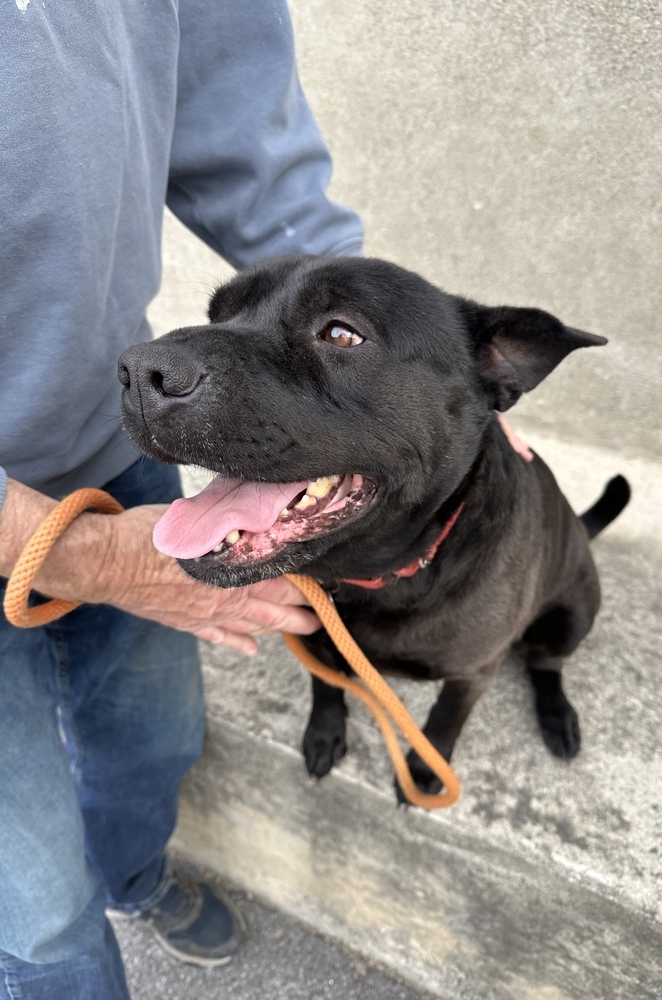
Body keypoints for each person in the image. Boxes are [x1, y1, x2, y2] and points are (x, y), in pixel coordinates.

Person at [0, 2, 358, 997]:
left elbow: (242, 127)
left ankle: (133, 875)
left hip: (109, 442)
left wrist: (409, 373)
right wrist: (100, 559)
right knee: (35, 910)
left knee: (153, 738)